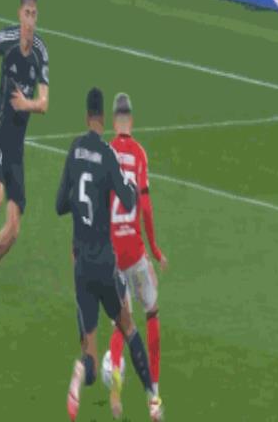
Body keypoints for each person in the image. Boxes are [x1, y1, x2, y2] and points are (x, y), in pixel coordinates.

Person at [56, 88, 162, 422]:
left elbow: (60, 204)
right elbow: (130, 201)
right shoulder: (107, 154)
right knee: (129, 327)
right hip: (105, 262)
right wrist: (125, 187)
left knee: (90, 357)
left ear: (85, 115)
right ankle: (153, 401)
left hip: (80, 266)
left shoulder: (74, 149)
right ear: (103, 118)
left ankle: (79, 372)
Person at [0, 0, 50, 299]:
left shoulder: (41, 52)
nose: (30, 20)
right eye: (26, 14)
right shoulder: (7, 39)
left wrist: (26, 104)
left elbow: (44, 103)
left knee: (15, 229)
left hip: (17, 148)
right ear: (19, 14)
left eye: (34, 15)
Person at [108, 93, 167, 411]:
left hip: (112, 254)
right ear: (130, 119)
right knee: (152, 312)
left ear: (113, 120)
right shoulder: (139, 153)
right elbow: (145, 206)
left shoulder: (105, 152)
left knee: (122, 321)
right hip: (135, 252)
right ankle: (154, 395)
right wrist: (154, 250)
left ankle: (116, 388)